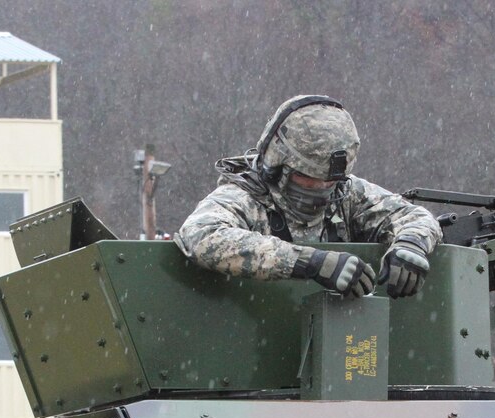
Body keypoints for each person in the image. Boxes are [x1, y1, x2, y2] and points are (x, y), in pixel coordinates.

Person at [175, 95, 441, 298]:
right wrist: (310, 263)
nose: (322, 187)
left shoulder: (347, 194)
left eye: (330, 180)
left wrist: (411, 245)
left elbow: (412, 216)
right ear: (278, 164)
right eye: (310, 178)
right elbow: (201, 235)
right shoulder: (243, 198)